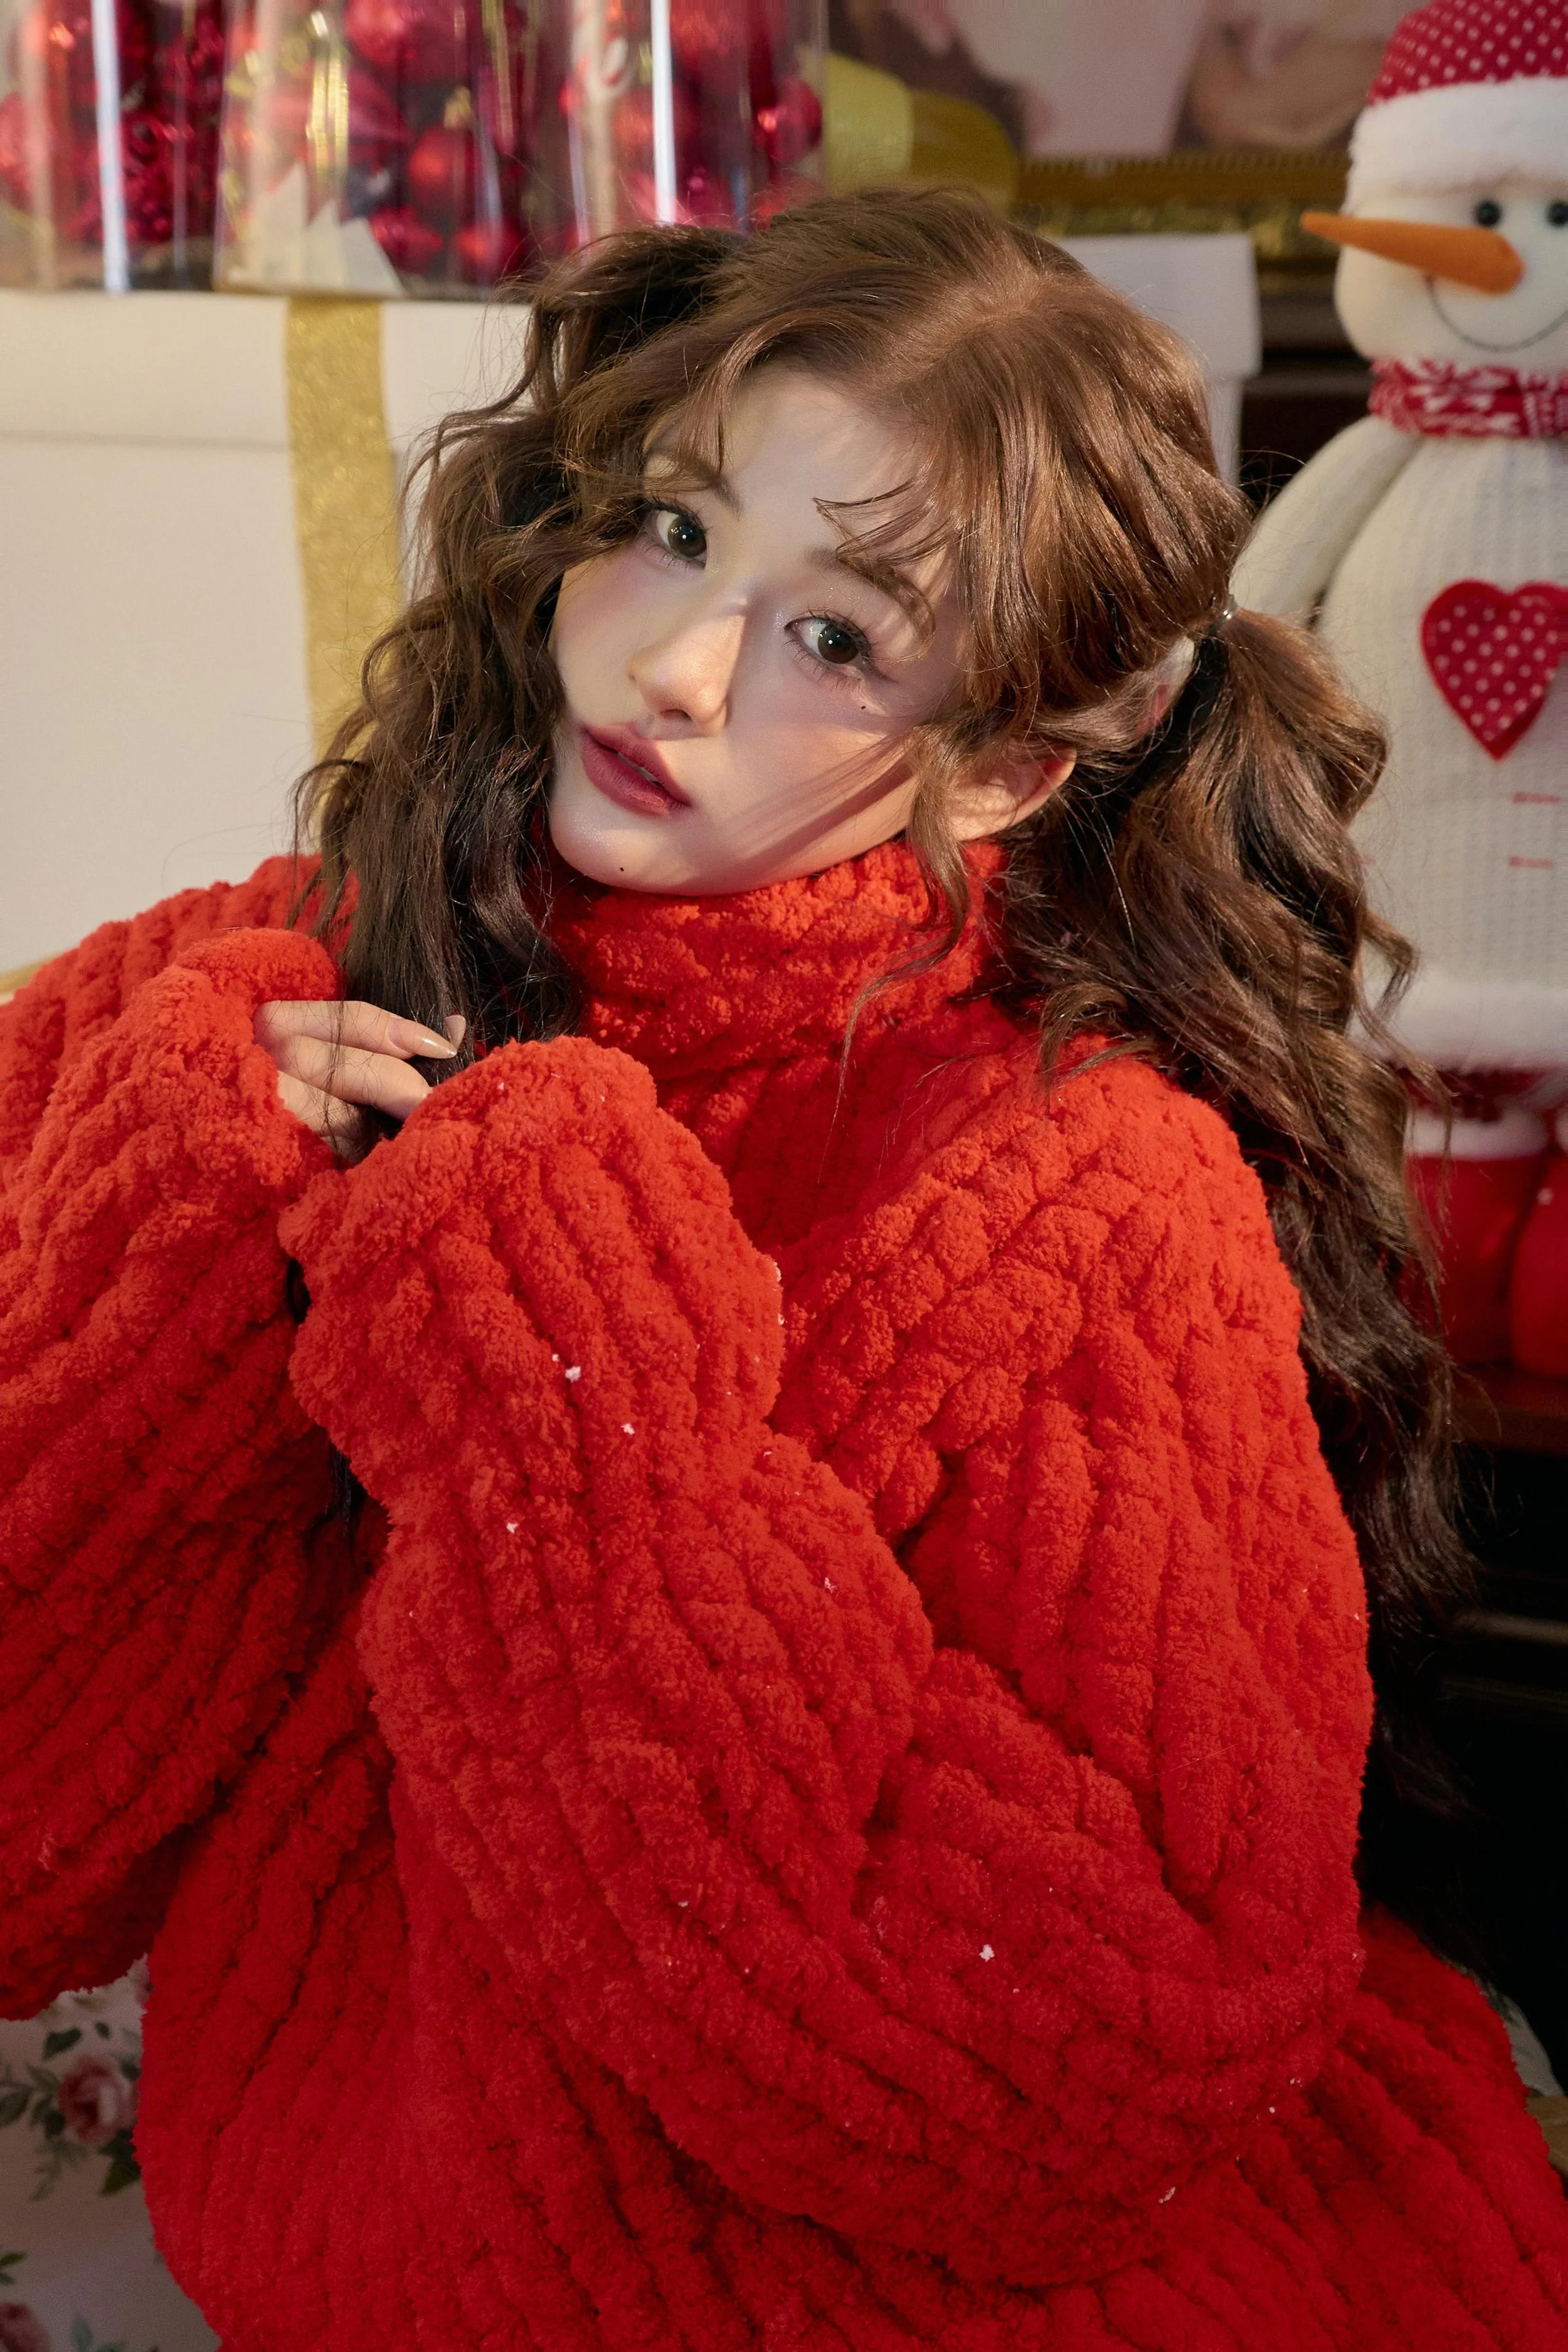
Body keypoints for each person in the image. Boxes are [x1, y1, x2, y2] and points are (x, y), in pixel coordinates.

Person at [1, 189, 1564, 2351]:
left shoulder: (1089, 1189)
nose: (672, 666)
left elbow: (1103, 2074)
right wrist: (162, 1247)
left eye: (839, 636)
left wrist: (563, 1384)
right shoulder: (222, 1013)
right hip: (340, 2231)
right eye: (667, 526)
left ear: (1013, 764)